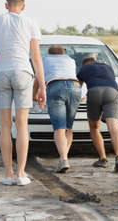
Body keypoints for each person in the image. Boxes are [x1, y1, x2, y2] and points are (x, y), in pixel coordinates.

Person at [0, 0, 46, 186]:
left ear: (6, 5)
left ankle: (8, 174)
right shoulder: (30, 22)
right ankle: (21, 174)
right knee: (22, 125)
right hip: (23, 73)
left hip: (1, 73)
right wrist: (41, 86)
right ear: (23, 6)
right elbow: (36, 57)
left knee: (5, 126)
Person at [77, 54, 118, 172]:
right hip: (112, 92)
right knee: (114, 126)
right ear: (94, 61)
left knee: (94, 127)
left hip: (94, 92)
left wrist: (79, 97)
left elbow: (77, 87)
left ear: (84, 64)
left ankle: (103, 159)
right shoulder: (107, 66)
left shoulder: (84, 69)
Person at [40, 45, 81, 173]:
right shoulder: (70, 60)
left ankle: (63, 159)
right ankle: (64, 158)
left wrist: (35, 95)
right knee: (68, 127)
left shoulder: (45, 60)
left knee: (59, 127)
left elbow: (38, 78)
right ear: (63, 53)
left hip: (55, 85)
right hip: (75, 87)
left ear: (49, 53)